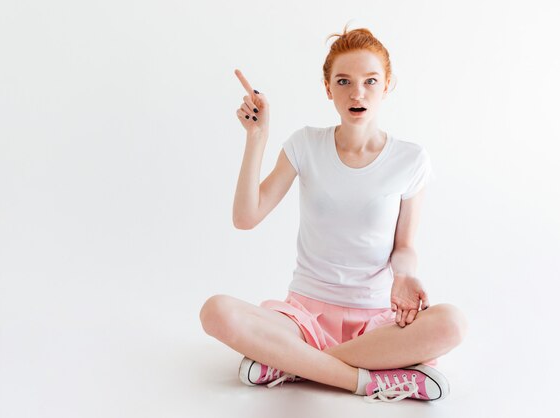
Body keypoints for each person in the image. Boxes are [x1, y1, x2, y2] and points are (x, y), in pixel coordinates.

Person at [199, 25, 467, 403]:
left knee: (452, 323)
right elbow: (246, 217)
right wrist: (256, 138)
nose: (357, 93)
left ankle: (291, 365)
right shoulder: (305, 144)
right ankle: (371, 381)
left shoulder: (410, 160)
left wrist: (404, 276)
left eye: (370, 81)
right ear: (328, 89)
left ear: (387, 85)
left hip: (378, 324)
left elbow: (404, 244)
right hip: (303, 319)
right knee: (216, 312)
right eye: (343, 81)